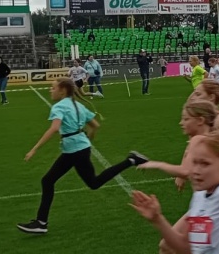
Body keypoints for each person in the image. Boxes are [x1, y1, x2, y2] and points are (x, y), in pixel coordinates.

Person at [17, 78, 147, 234]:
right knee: (56, 181)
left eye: (52, 88)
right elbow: (95, 126)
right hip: (77, 150)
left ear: (63, 90)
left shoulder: (59, 107)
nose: (50, 90)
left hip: (75, 152)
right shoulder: (78, 105)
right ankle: (41, 222)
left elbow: (54, 128)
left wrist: (34, 149)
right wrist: (87, 139)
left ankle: (131, 160)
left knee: (65, 181)